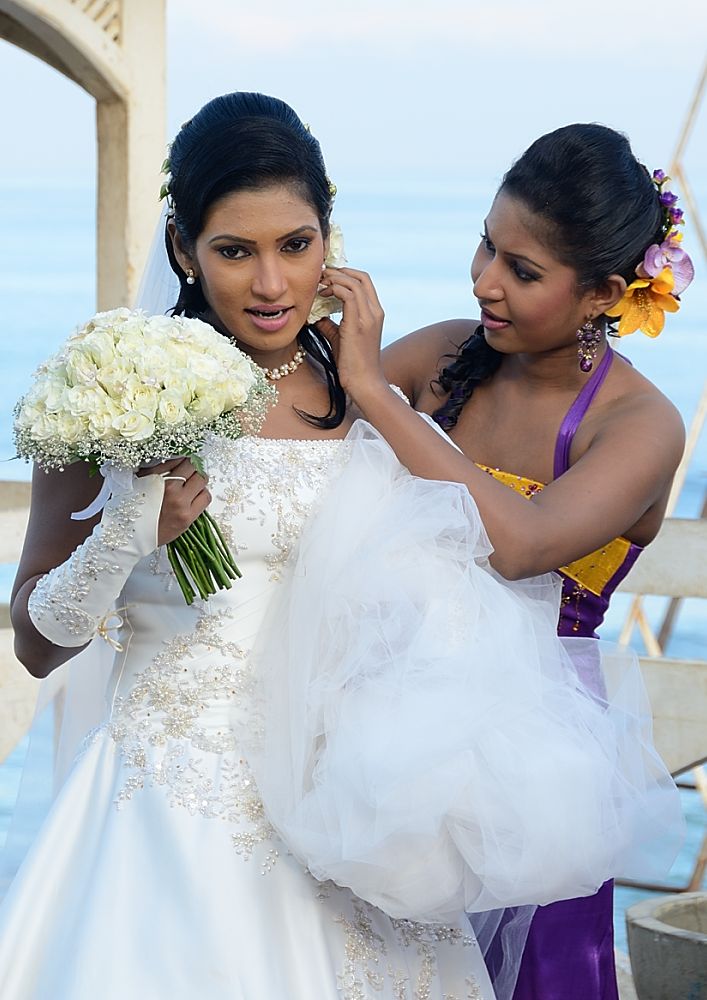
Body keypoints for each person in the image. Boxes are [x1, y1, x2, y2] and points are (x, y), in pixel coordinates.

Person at [0, 91, 499, 1000]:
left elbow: (479, 547)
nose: (271, 285)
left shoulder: (360, 388)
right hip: (169, 808)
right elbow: (36, 644)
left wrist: (367, 383)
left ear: (328, 238)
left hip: (344, 803)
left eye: (295, 245)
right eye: (234, 251)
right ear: (184, 249)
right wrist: (126, 533)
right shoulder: (112, 388)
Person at [317, 123, 692, 1000]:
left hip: (529, 765)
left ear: (604, 291)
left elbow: (521, 546)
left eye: (522, 271)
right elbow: (306, 426)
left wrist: (375, 391)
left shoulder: (638, 424)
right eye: (487, 242)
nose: (485, 279)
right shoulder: (450, 358)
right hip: (382, 740)